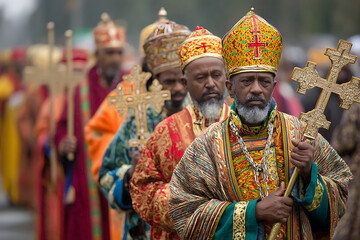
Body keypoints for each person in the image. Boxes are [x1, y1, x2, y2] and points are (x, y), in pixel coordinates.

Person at [169, 9, 352, 239]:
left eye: (263, 81)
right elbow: (183, 211)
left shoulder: (300, 133)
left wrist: (308, 175)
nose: (256, 89)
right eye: (246, 81)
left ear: (274, 85)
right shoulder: (206, 146)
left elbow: (343, 193)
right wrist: (253, 212)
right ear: (229, 87)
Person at [129, 26, 230, 239]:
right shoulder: (165, 131)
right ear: (186, 84)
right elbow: (142, 191)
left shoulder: (242, 126)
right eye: (201, 77)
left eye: (216, 75)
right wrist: (189, 205)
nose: (210, 84)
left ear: (226, 79)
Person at [98, 20, 190, 240]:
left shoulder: (200, 115)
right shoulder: (138, 118)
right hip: (145, 230)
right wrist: (129, 174)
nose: (177, 88)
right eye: (169, 81)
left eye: (182, 81)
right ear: (156, 80)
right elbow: (105, 175)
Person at [54, 13, 126, 240]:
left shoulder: (131, 86)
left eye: (118, 53)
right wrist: (63, 142)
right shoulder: (80, 91)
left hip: (123, 174)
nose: (115, 59)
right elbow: (62, 128)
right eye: (109, 53)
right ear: (97, 55)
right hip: (88, 177)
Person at [34, 48, 88, 240]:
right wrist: (50, 143)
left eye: (81, 71)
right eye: (73, 72)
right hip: (59, 175)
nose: (77, 77)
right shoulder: (54, 103)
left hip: (85, 172)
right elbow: (41, 136)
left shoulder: (88, 100)